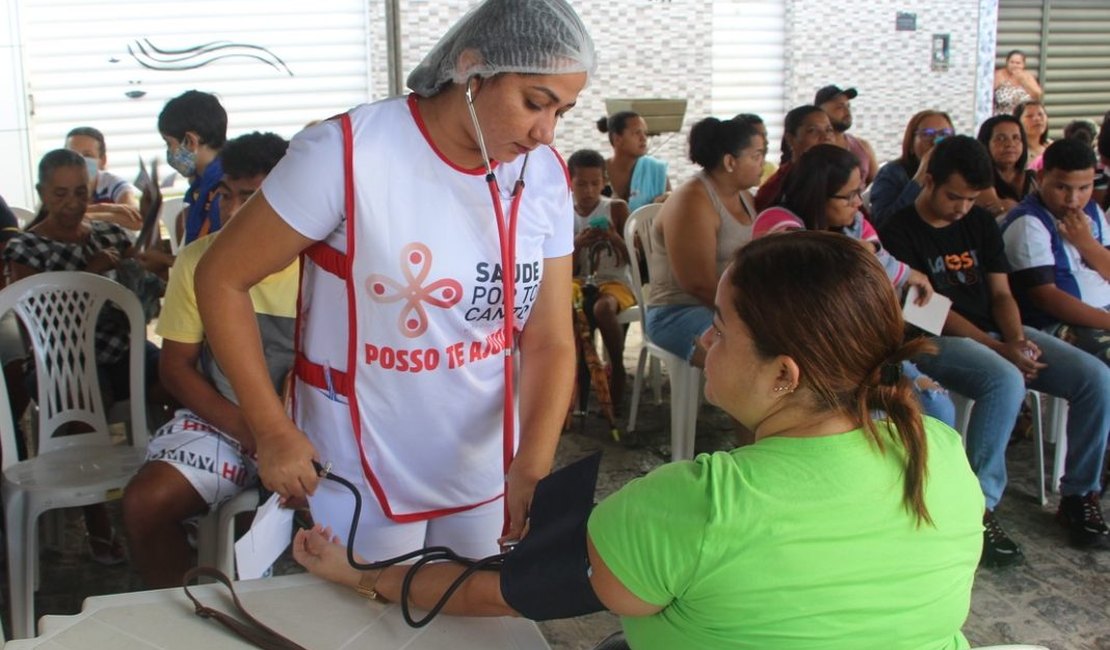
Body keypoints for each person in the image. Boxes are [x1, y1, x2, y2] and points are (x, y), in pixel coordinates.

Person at [293, 232, 985, 649]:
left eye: (720, 326)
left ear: (783, 374)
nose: (705, 340)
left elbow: (503, 592)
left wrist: (356, 575)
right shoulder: (942, 455)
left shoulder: (704, 504)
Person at [193, 0, 594, 561]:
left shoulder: (544, 175)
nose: (543, 132)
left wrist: (533, 462)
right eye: (535, 103)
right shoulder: (349, 153)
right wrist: (271, 429)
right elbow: (220, 278)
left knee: (470, 617)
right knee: (372, 618)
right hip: (359, 454)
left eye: (562, 112)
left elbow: (548, 338)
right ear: (472, 69)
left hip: (484, 456)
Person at [879, 135, 1110, 565]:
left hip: (997, 332)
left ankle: (1079, 494)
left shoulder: (980, 223)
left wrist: (1016, 339)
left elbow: (1002, 294)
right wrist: (999, 348)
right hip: (929, 338)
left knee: (1095, 377)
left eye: (970, 199)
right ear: (928, 181)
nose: (962, 207)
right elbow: (933, 313)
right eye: (954, 196)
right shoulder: (898, 229)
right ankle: (978, 508)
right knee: (1003, 380)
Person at [121, 132, 294, 588]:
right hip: (226, 421)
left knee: (364, 503)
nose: (235, 211)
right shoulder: (198, 259)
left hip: (312, 423)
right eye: (227, 195)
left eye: (252, 198)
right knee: (145, 503)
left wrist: (286, 433)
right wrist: (255, 431)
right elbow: (175, 368)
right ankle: (187, 616)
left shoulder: (325, 260)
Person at [1, 149, 163, 565]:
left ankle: (170, 498)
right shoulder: (26, 248)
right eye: (60, 195)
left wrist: (147, 235)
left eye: (79, 192)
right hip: (60, 363)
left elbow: (140, 286)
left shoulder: (106, 235)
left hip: (120, 349)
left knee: (178, 381)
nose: (72, 204)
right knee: (80, 402)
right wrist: (89, 272)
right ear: (42, 193)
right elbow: (38, 324)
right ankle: (98, 523)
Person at [752, 143, 954, 427]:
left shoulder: (855, 224)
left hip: (858, 348)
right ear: (818, 196)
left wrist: (910, 275)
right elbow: (802, 258)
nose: (859, 202)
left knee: (937, 406)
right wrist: (861, 251)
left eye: (859, 191)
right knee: (874, 417)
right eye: (848, 196)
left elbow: (882, 265)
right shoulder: (776, 220)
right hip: (804, 353)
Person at [645, 117, 765, 366]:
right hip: (677, 312)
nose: (762, 164)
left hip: (725, 305)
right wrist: (751, 316)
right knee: (751, 348)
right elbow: (698, 285)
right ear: (730, 161)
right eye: (756, 156)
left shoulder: (745, 196)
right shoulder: (692, 201)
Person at [1000, 137, 1110, 366]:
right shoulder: (1028, 222)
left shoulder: (1093, 211)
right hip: (1055, 325)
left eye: (1084, 188)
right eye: (1062, 188)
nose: (1073, 199)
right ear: (1041, 178)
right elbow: (1045, 298)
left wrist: (1086, 243)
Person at [567, 149, 633, 410]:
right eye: (581, 184)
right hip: (579, 282)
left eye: (595, 183)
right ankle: (579, 376)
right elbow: (564, 270)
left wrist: (614, 237)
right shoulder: (564, 213)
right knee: (569, 308)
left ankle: (616, 367)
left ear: (605, 181)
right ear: (569, 182)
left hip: (615, 282)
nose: (589, 191)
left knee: (603, 308)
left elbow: (634, 258)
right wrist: (577, 244)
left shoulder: (615, 208)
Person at [158, 90, 227, 245]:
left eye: (169, 143)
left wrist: (162, 259)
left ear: (190, 141)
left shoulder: (224, 192)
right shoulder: (201, 186)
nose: (169, 152)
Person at [869, 109, 955, 228]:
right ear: (911, 145)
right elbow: (883, 222)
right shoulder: (892, 173)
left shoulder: (957, 173)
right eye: (927, 134)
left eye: (944, 134)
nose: (936, 142)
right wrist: (919, 177)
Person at [753, 105, 834, 211]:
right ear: (790, 139)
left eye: (829, 130)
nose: (825, 137)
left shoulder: (842, 175)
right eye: (813, 130)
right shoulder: (775, 188)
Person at [63, 126, 142, 232]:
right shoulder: (56, 186)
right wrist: (112, 211)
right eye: (72, 154)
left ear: (102, 160)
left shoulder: (113, 184)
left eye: (87, 155)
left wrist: (89, 216)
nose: (79, 160)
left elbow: (136, 220)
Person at [597, 111, 669, 211]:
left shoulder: (656, 171)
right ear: (617, 139)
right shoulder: (598, 171)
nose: (644, 138)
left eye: (645, 133)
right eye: (637, 133)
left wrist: (667, 200)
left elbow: (671, 212)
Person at [974, 115, 1036, 219]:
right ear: (986, 143)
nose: (1010, 144)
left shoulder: (1033, 179)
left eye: (1016, 138)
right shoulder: (979, 180)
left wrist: (1011, 206)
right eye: (1001, 138)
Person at [814, 84, 879, 184]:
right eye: (840, 107)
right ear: (820, 111)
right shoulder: (813, 148)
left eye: (848, 106)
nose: (847, 112)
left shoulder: (863, 146)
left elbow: (876, 186)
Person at [994, 50, 1043, 116]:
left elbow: (1037, 95)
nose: (1014, 65)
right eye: (1012, 62)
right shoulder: (999, 75)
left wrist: (1024, 81)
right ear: (1007, 63)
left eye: (1018, 63)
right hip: (1003, 116)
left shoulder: (1027, 76)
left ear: (1023, 65)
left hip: (1023, 117)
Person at [734, 113, 776, 185]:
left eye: (765, 135)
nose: (766, 142)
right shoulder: (732, 173)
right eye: (759, 136)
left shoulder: (771, 170)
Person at [1015, 100, 1051, 167]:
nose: (1037, 119)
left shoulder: (1052, 146)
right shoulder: (1015, 152)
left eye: (1040, 114)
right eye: (1029, 116)